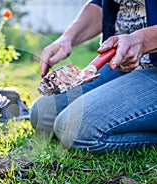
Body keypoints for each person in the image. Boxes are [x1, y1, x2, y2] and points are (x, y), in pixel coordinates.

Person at [30, 0, 157, 152]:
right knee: (43, 113)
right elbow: (100, 6)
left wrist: (142, 40)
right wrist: (68, 38)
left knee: (73, 129)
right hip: (120, 60)